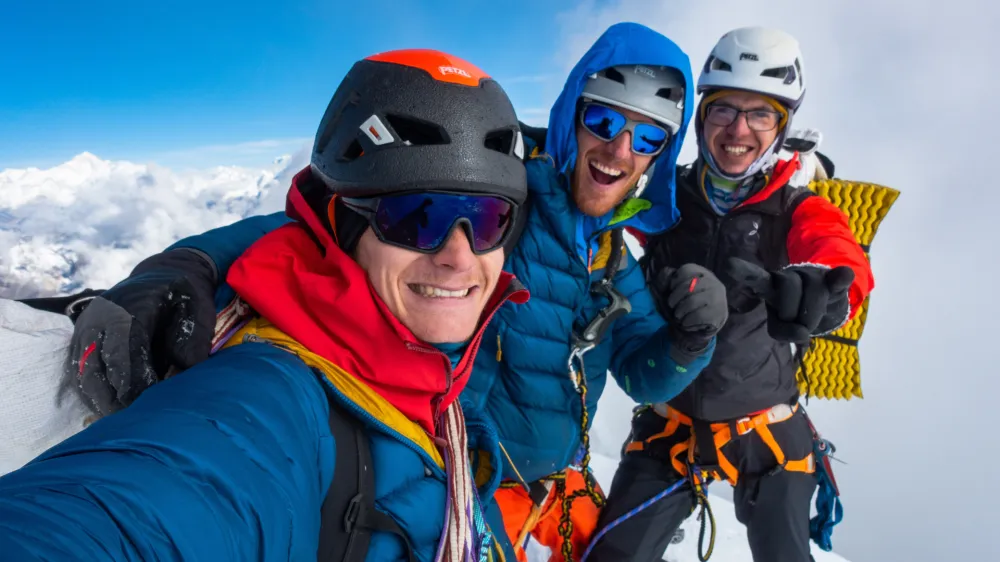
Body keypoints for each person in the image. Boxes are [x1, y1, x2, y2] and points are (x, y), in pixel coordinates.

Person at [56, 22, 730, 562]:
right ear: (570, 118)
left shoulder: (616, 259)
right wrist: (186, 265)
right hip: (470, 485)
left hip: (547, 499)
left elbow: (645, 376)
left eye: (647, 138)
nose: (619, 150)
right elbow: (341, 218)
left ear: (660, 155)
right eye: (604, 122)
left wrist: (692, 339)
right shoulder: (503, 201)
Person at [0, 48, 532, 562]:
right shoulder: (269, 396)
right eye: (420, 217)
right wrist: (191, 259)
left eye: (489, 221)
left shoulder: (430, 384)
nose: (460, 257)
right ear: (343, 225)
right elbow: (139, 510)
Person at [585, 27, 875, 562]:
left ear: (782, 126)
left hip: (762, 422)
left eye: (760, 114)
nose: (738, 129)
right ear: (701, 118)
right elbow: (597, 205)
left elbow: (840, 257)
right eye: (723, 110)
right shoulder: (667, 196)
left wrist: (824, 293)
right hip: (670, 419)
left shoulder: (796, 208)